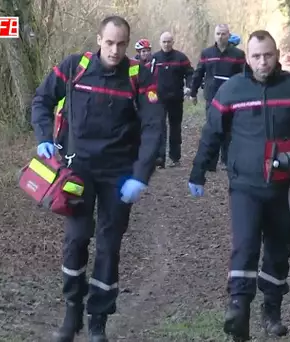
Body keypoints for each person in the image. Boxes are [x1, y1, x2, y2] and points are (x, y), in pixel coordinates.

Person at [187, 30, 290, 341]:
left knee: (279, 249)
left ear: (277, 54)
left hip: (285, 186)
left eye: (267, 55)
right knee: (245, 245)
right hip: (244, 184)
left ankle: (272, 311)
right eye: (256, 56)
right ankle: (238, 310)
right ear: (247, 58)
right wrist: (198, 172)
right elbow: (211, 132)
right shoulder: (231, 91)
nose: (262, 61)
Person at [31, 15, 164, 342]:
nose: (115, 50)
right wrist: (44, 136)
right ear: (98, 39)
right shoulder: (75, 66)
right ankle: (72, 310)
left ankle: (98, 321)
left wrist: (141, 175)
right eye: (109, 43)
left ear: (128, 43)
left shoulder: (138, 75)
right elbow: (42, 100)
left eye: (121, 44)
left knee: (109, 246)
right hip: (77, 171)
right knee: (76, 241)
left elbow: (153, 127)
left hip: (118, 177)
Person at [189, 24, 245, 172]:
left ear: (229, 35)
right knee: (213, 129)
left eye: (224, 34)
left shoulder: (238, 55)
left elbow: (244, 76)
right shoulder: (207, 53)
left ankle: (226, 160)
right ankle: (210, 163)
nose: (221, 36)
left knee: (229, 130)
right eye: (218, 34)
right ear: (215, 35)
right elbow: (198, 73)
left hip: (232, 98)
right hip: (212, 96)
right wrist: (193, 92)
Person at [148, 31, 193, 168]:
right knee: (160, 128)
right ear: (160, 42)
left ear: (173, 42)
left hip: (176, 98)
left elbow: (190, 73)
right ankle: (160, 158)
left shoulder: (181, 58)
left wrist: (189, 87)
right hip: (159, 99)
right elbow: (147, 77)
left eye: (169, 41)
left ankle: (175, 158)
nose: (166, 44)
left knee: (175, 128)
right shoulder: (154, 58)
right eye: (164, 42)